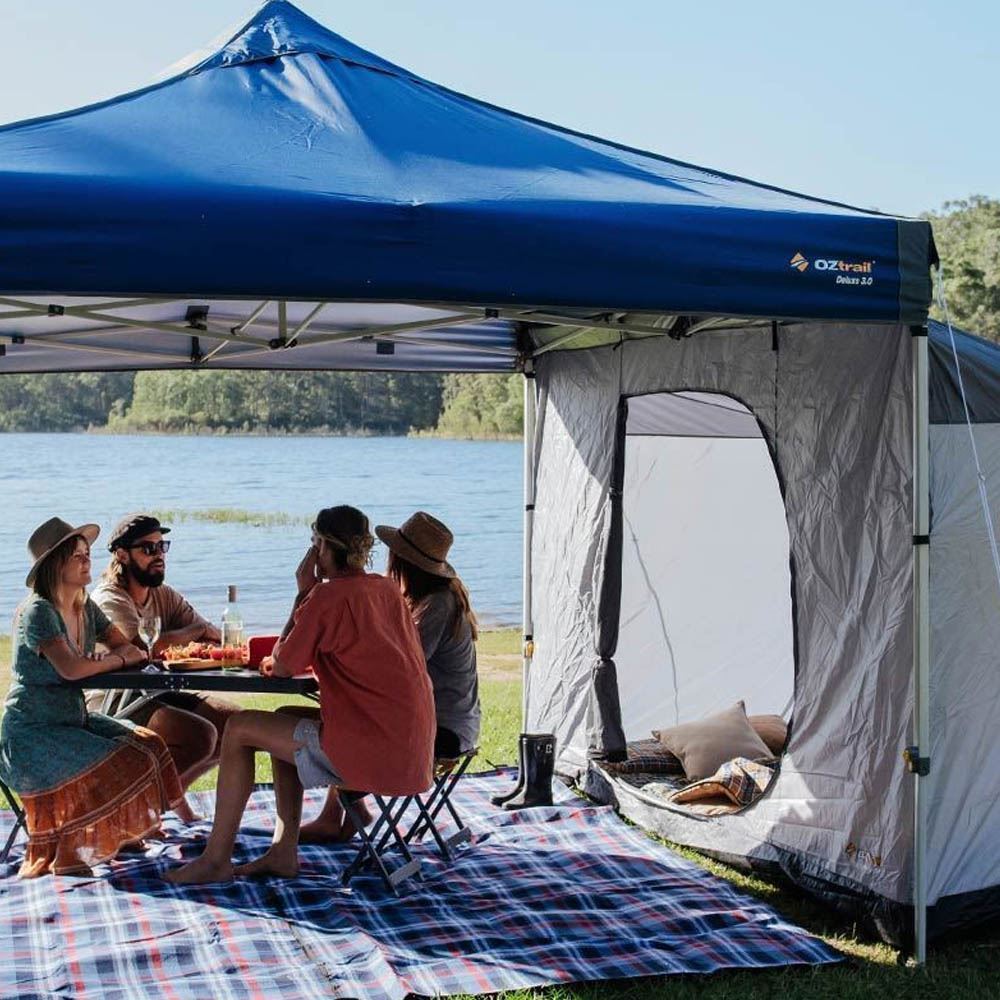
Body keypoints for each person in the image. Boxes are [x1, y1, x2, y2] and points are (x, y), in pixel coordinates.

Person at [166, 505, 435, 885]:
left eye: (315, 544)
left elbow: (282, 664)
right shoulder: (387, 589)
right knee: (285, 714)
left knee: (239, 728)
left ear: (323, 547)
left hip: (371, 755)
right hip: (412, 752)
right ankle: (282, 851)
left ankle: (216, 859)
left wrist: (302, 595)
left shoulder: (327, 598)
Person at [0, 517, 183, 877]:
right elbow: (72, 669)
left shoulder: (86, 606)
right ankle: (70, 853)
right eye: (78, 556)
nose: (87, 561)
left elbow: (127, 647)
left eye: (87, 554)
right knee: (121, 761)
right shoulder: (39, 611)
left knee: (147, 746)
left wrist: (106, 658)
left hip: (72, 720)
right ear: (56, 564)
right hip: (30, 734)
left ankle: (121, 832)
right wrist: (111, 659)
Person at [296, 510, 480, 843]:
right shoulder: (436, 598)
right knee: (358, 716)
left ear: (403, 560)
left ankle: (335, 815)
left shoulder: (437, 606)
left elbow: (398, 667)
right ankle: (337, 814)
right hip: (454, 720)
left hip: (444, 728)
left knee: (361, 722)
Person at [90, 513, 241, 823]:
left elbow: (210, 631)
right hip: (111, 698)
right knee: (200, 736)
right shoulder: (109, 598)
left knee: (235, 724)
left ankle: (165, 800)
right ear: (122, 553)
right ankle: (131, 818)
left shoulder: (163, 594)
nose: (158, 555)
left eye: (162, 547)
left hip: (154, 692)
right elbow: (139, 648)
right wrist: (191, 633)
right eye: (148, 549)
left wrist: (201, 633)